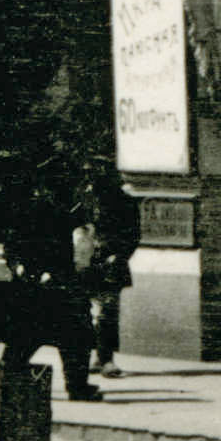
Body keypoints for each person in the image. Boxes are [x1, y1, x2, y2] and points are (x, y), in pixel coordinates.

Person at [0, 152, 98, 402]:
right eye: (63, 178)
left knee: (62, 337)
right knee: (54, 336)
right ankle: (17, 380)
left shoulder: (64, 208)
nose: (67, 183)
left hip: (49, 281)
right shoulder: (42, 207)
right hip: (45, 282)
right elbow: (15, 244)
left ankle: (73, 385)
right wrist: (25, 269)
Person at [81, 162, 141, 380]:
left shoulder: (126, 203)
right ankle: (91, 356)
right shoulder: (84, 202)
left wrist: (120, 255)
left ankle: (106, 359)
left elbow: (133, 235)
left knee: (107, 312)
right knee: (85, 313)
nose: (93, 184)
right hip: (86, 261)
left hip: (111, 262)